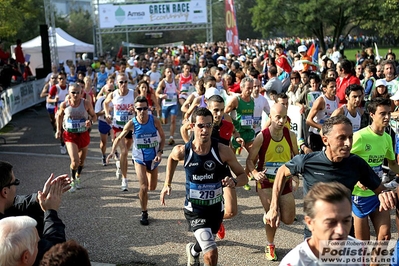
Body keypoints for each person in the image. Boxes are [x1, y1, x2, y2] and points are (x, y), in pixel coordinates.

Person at [264, 115, 397, 238]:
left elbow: (380, 189)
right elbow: (282, 171)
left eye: (350, 137)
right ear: (325, 140)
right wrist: (273, 207)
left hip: (344, 232)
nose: (348, 143)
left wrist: (384, 194)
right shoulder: (308, 161)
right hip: (315, 233)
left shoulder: (356, 163)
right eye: (342, 138)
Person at [160, 107, 247, 266]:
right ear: (192, 126)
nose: (205, 130)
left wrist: (234, 182)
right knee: (211, 253)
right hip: (195, 210)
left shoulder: (223, 151)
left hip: (216, 210)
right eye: (201, 126)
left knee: (206, 242)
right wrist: (167, 184)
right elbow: (172, 159)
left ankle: (193, 251)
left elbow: (244, 177)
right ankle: (196, 251)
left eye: (208, 125)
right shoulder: (183, 151)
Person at [246, 103, 298, 261]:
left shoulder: (291, 136)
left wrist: (295, 176)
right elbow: (250, 160)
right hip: (266, 182)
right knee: (273, 215)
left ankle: (268, 213)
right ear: (270, 117)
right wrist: (254, 173)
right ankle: (270, 244)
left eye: (284, 117)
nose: (281, 121)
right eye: (278, 117)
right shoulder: (262, 136)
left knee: (288, 219)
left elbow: (296, 157)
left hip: (284, 181)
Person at [108, 96, 165, 225]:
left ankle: (142, 196)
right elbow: (118, 137)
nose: (142, 111)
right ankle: (144, 212)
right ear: (135, 109)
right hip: (139, 158)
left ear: (148, 108)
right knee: (144, 187)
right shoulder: (132, 123)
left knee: (152, 187)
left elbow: (162, 136)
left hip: (154, 157)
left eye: (145, 108)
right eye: (139, 109)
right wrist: (112, 152)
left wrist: (160, 151)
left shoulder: (155, 121)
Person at [0, 161, 70, 265]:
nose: (16, 188)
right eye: (15, 182)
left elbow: (16, 203)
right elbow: (54, 253)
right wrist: (51, 213)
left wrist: (38, 198)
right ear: (5, 191)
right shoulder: (13, 234)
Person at [350, 97, 399, 243]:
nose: (387, 117)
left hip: (378, 192)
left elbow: (392, 165)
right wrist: (356, 179)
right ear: (371, 114)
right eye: (382, 114)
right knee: (362, 243)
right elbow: (342, 160)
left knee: (385, 237)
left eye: (389, 113)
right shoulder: (359, 136)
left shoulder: (387, 138)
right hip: (359, 195)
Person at [279, 182, 364, 266]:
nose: (341, 231)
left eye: (346, 221)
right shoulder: (294, 263)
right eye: (331, 222)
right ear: (310, 223)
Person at [55, 83, 97, 192]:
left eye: (77, 92)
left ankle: (78, 177)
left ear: (81, 93)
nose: (75, 94)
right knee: (75, 161)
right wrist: (58, 130)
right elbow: (59, 116)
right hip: (70, 135)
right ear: (69, 93)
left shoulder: (86, 103)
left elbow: (94, 116)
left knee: (81, 162)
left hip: (83, 134)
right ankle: (73, 180)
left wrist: (90, 121)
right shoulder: (64, 105)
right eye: (73, 92)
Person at [104, 73, 135, 191]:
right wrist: (107, 114)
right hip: (117, 127)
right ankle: (124, 179)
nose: (123, 84)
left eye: (125, 82)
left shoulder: (133, 93)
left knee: (124, 154)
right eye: (121, 82)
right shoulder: (113, 94)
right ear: (117, 83)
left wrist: (135, 109)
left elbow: (142, 105)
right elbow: (105, 103)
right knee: (124, 152)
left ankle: (119, 166)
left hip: (130, 127)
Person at [306, 77, 339, 151]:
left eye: (335, 86)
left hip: (328, 134)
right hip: (316, 134)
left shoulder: (337, 99)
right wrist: (321, 127)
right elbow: (308, 120)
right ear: (325, 89)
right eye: (331, 87)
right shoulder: (321, 100)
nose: (334, 89)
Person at [156, 67, 179, 145]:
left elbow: (178, 89)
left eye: (171, 72)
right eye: (168, 72)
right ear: (165, 73)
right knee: (164, 122)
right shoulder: (163, 82)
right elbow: (157, 93)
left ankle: (171, 137)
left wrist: (180, 92)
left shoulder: (175, 81)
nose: (170, 73)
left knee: (173, 120)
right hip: (165, 104)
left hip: (174, 104)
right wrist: (161, 96)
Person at [94, 77, 115, 166]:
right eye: (109, 90)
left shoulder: (116, 99)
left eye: (112, 90)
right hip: (103, 122)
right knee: (104, 142)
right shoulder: (101, 100)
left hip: (113, 122)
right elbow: (96, 114)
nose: (111, 92)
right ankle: (103, 155)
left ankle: (115, 152)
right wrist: (106, 111)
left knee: (115, 139)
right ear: (105, 91)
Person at [47, 72, 69, 154]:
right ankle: (62, 144)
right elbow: (48, 99)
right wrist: (54, 100)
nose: (61, 80)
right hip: (58, 111)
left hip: (68, 110)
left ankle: (69, 142)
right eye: (60, 78)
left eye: (63, 78)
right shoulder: (55, 88)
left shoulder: (69, 87)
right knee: (60, 128)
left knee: (68, 128)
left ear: (66, 79)